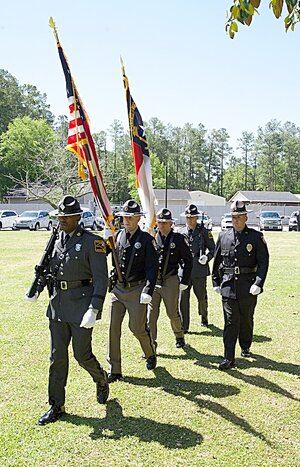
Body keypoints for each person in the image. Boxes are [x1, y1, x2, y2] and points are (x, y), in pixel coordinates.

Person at [26, 195, 109, 425]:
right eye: (59, 216)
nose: (61, 220)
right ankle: (56, 405)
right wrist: (37, 289)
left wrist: (94, 308)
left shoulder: (94, 242)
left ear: (77, 218)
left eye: (66, 217)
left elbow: (101, 280)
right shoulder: (56, 240)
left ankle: (100, 378)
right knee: (57, 358)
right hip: (58, 306)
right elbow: (48, 270)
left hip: (82, 308)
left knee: (82, 355)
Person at [212, 200, 269, 370]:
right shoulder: (223, 236)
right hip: (228, 285)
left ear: (245, 217)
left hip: (248, 285)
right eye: (233, 217)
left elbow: (264, 261)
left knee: (246, 319)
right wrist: (216, 281)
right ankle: (228, 358)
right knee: (230, 322)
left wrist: (259, 283)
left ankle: (245, 346)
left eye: (239, 217)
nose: (236, 220)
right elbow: (217, 262)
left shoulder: (255, 237)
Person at [106, 199, 159, 383]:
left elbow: (153, 268)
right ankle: (115, 369)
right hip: (118, 290)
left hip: (137, 289)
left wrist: (148, 290)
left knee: (136, 328)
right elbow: (104, 252)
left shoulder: (146, 240)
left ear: (138, 218)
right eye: (123, 217)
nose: (126, 221)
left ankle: (149, 352)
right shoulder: (117, 235)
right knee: (113, 328)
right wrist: (104, 239)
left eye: (129, 217)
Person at [147, 208, 192, 350]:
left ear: (171, 223)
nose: (162, 225)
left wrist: (184, 280)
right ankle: (151, 344)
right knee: (151, 315)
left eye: (165, 223)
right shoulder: (152, 238)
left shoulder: (178, 239)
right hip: (154, 282)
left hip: (170, 279)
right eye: (160, 222)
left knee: (172, 312)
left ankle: (179, 336)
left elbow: (188, 261)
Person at [179, 204, 215, 331]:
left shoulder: (204, 231)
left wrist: (207, 257)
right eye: (188, 217)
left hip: (199, 269)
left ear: (197, 218)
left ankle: (204, 317)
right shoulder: (181, 232)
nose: (190, 220)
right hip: (184, 271)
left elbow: (213, 248)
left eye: (192, 217)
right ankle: (184, 325)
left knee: (201, 297)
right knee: (183, 299)